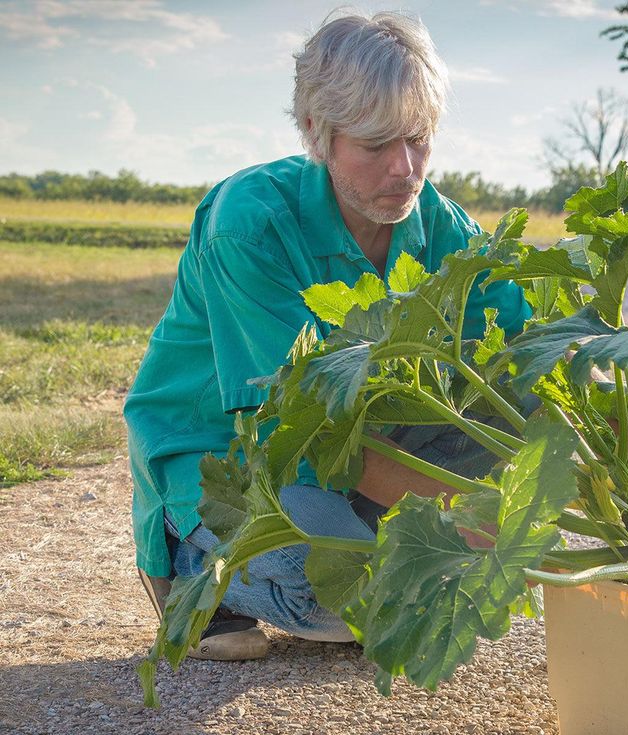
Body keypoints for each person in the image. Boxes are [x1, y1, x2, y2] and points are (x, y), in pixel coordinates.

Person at [125, 11, 531, 661]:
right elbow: (305, 430)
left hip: (367, 454)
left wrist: (626, 480)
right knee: (332, 601)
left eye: (419, 139)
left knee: (519, 417)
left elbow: (532, 358)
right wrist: (478, 513)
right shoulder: (249, 224)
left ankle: (380, 550)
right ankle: (188, 559)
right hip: (233, 456)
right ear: (318, 132)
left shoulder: (445, 227)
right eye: (375, 146)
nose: (405, 168)